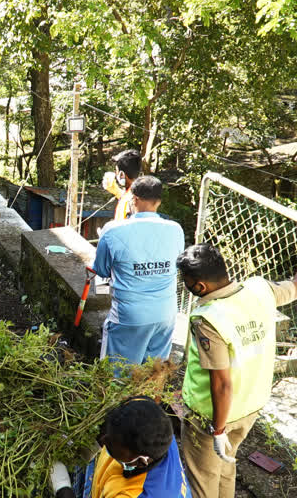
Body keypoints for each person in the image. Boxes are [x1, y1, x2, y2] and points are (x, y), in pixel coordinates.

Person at [177, 244, 296, 498]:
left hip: (210, 416)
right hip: (250, 405)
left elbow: (221, 383)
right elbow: (293, 287)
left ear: (199, 287)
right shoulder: (259, 289)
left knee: (203, 480)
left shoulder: (208, 319)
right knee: (226, 465)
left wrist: (217, 430)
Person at [93, 176, 184, 369]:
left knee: (118, 375)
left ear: (133, 199)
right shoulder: (176, 230)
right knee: (154, 374)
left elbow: (101, 270)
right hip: (166, 313)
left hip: (129, 316)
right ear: (159, 201)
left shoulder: (113, 231)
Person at [50, 396, 191, 498]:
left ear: (141, 462)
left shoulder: (134, 494)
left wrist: (63, 488)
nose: (104, 440)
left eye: (110, 443)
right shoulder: (153, 423)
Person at [101, 149, 142, 221]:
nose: (116, 174)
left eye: (116, 171)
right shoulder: (139, 192)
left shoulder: (133, 200)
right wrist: (116, 191)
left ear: (121, 174)